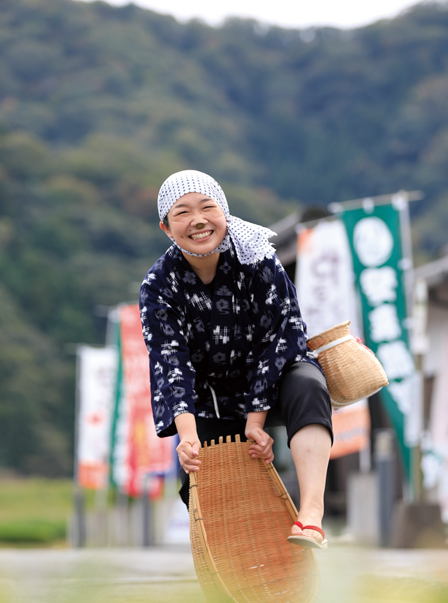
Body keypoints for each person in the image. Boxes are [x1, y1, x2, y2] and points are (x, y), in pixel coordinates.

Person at [139, 170, 333, 549]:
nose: (198, 220)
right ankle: (243, 565)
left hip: (273, 378)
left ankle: (312, 515)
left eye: (208, 207)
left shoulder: (258, 259)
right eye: (182, 212)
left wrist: (256, 419)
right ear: (166, 227)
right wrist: (189, 441)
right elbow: (170, 362)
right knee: (201, 487)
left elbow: (279, 335)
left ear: (224, 213)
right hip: (211, 396)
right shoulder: (159, 285)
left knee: (310, 385)